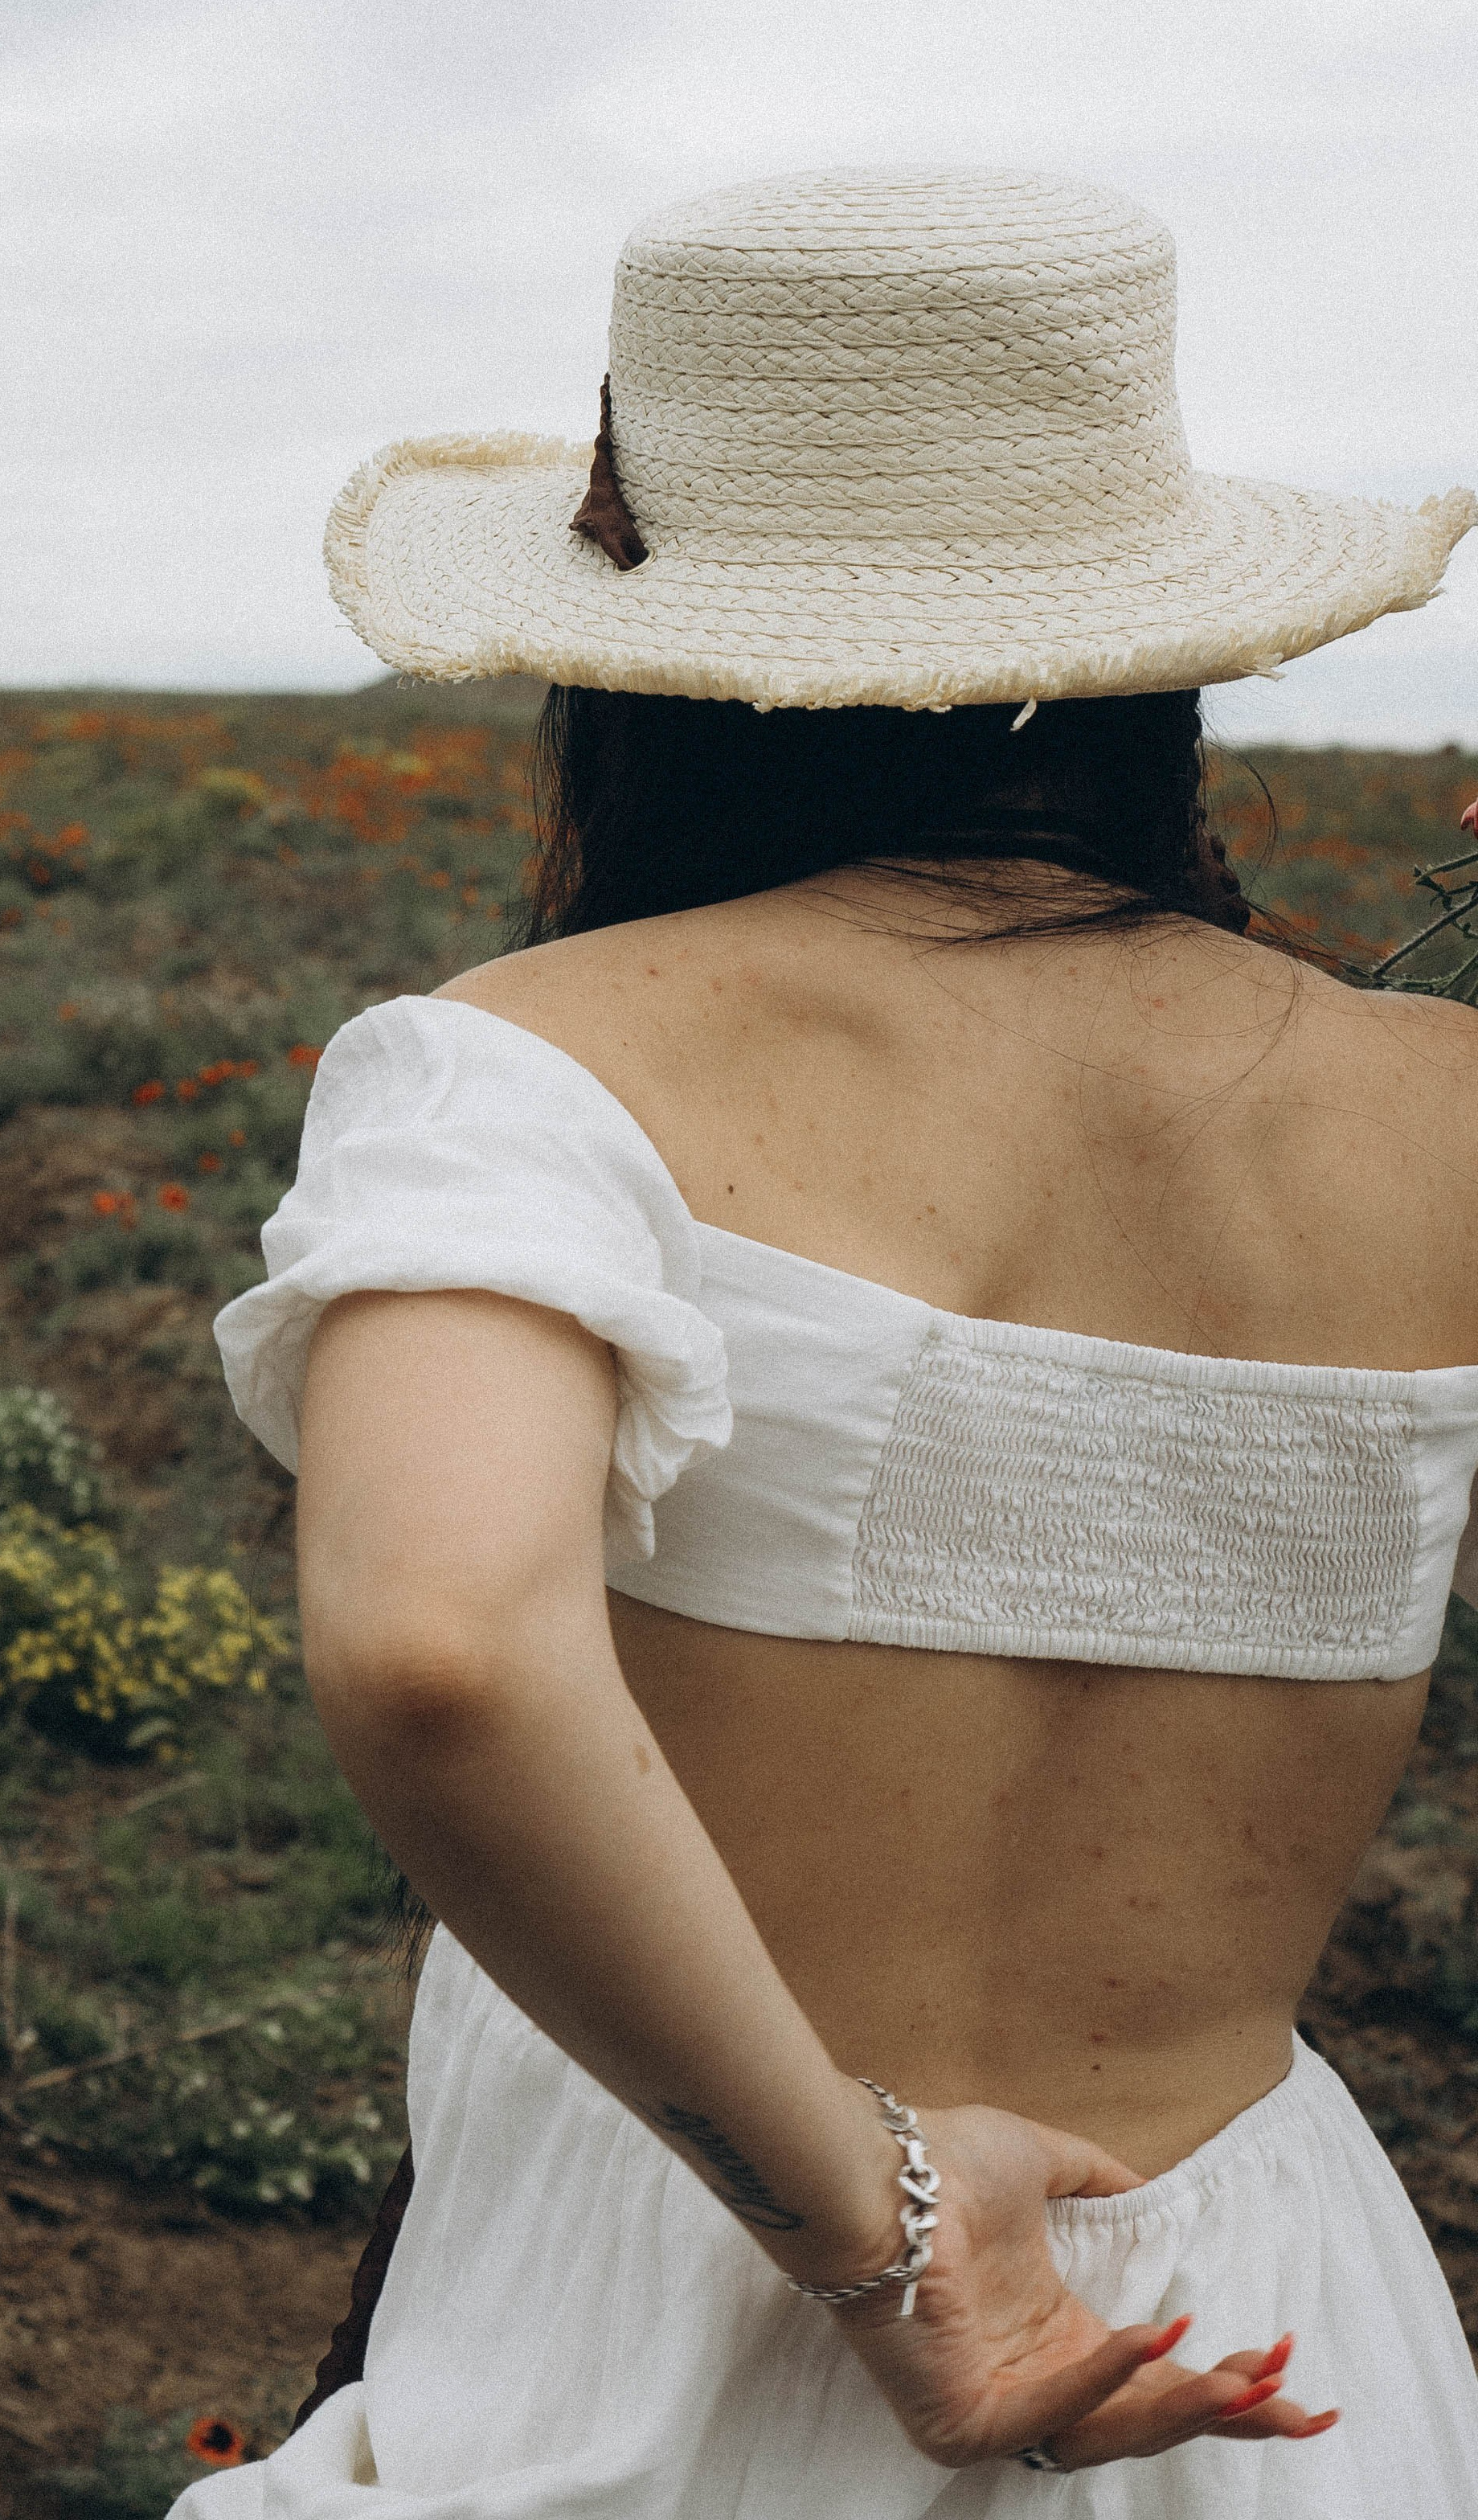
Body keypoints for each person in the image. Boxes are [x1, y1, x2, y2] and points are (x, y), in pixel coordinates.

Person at [184, 172, 1478, 2511]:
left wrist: (893, 2248)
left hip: (693, 2312)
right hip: (1261, 2352)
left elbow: (444, 1646)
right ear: (1158, 640)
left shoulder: (523, 1063)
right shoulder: (1444, 1110)